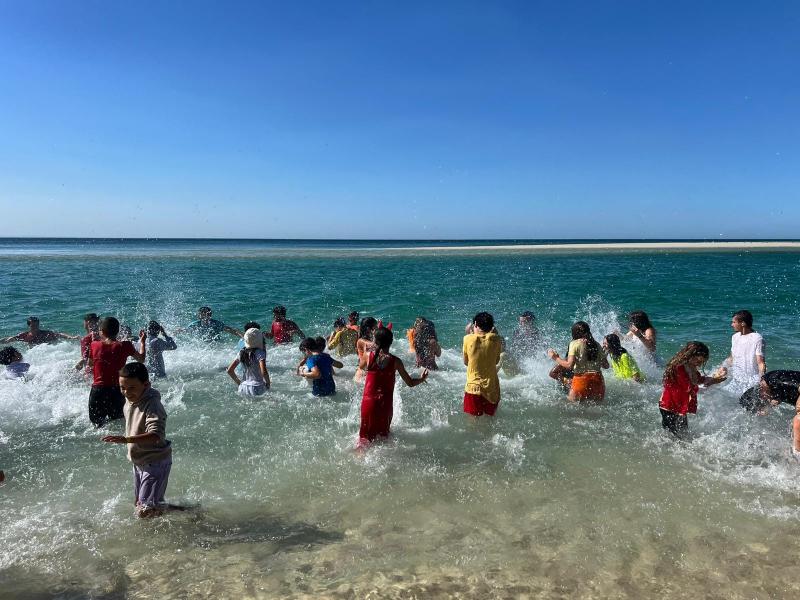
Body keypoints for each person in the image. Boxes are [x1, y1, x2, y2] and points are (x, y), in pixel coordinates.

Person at [101, 363, 172, 518]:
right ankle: (185, 511)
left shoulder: (153, 405)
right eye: (122, 388)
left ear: (146, 384)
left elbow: (156, 435)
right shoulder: (131, 399)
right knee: (141, 505)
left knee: (145, 511)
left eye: (131, 388)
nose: (126, 392)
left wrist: (126, 440)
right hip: (139, 459)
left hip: (155, 461)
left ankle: (157, 537)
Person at [358, 327, 427, 446]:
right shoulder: (396, 361)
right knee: (383, 440)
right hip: (385, 405)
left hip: (368, 404)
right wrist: (422, 379)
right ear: (391, 342)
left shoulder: (368, 356)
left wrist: (369, 351)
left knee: (364, 440)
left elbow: (362, 367)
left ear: (375, 341)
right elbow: (410, 383)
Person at [87, 317, 146, 427]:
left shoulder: (94, 345)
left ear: (102, 332)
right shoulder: (126, 345)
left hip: (98, 391)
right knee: (118, 424)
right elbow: (141, 359)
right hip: (117, 391)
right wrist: (142, 342)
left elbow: (90, 364)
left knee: (97, 426)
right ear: (118, 331)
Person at [659, 341, 726, 437]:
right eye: (698, 361)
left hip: (679, 406)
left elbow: (699, 380)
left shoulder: (691, 366)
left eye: (702, 362)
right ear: (690, 355)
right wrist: (710, 382)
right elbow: (688, 387)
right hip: (668, 406)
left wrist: (714, 378)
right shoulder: (678, 367)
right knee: (673, 436)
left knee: (683, 433)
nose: (699, 365)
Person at [548, 322, 609, 402]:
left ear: (574, 333)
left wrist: (555, 357)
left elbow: (569, 365)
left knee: (572, 410)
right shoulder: (597, 344)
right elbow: (606, 366)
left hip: (581, 381)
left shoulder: (574, 343)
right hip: (598, 381)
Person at [462, 312, 503, 416]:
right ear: (491, 326)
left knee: (473, 422)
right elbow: (496, 361)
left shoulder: (467, 339)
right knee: (490, 420)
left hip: (473, 387)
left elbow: (466, 362)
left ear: (475, 324)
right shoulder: (497, 339)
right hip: (492, 388)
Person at [724, 310, 766, 388]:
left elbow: (761, 363)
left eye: (734, 322)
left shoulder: (757, 338)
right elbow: (732, 358)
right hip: (736, 380)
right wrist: (723, 367)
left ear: (743, 323)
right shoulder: (735, 337)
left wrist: (762, 380)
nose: (731, 325)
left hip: (751, 381)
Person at [226, 327, 270, 396]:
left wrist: (239, 383)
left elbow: (229, 370)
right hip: (257, 387)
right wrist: (268, 383)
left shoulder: (241, 352)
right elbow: (264, 372)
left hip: (243, 387)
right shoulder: (260, 353)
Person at [1, 316, 78, 345]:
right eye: (33, 325)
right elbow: (11, 339)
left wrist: (72, 338)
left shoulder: (45, 334)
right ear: (29, 325)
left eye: (37, 325)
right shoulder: (25, 335)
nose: (36, 327)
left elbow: (60, 334)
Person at [354, 317, 378, 382]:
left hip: (366, 374)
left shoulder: (370, 339)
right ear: (369, 329)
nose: (377, 328)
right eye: (376, 326)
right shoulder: (361, 341)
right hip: (361, 375)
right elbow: (375, 345)